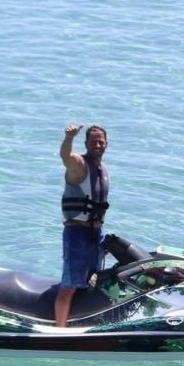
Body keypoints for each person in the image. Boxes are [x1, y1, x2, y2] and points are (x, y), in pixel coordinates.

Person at [55, 124, 110, 327]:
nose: (97, 144)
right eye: (93, 141)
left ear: (106, 144)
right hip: (76, 232)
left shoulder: (103, 170)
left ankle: (82, 321)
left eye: (100, 141)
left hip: (95, 235)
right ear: (86, 144)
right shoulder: (79, 165)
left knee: (91, 281)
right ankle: (58, 330)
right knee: (69, 285)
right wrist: (69, 138)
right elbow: (65, 158)